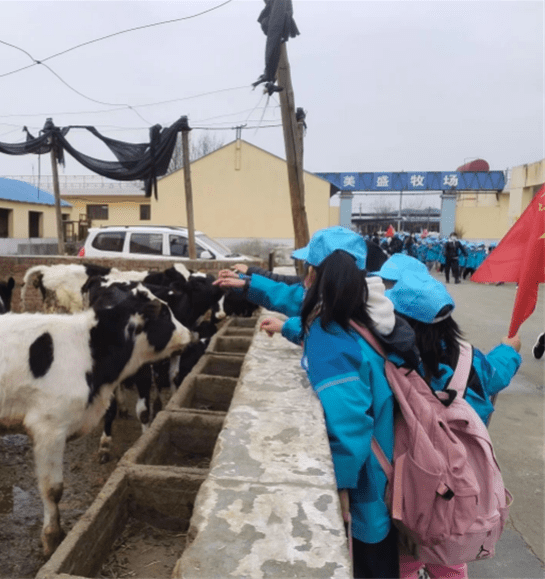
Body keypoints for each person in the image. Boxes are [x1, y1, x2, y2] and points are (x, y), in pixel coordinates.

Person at [222, 226, 418, 578]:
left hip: (365, 494)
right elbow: (332, 339)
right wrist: (287, 329)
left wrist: (332, 488)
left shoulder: (331, 337)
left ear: (313, 274)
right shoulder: (368, 310)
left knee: (368, 564)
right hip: (388, 468)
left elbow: (350, 426)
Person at [377, 267, 522, 579]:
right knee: (451, 559)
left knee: (405, 555)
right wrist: (510, 351)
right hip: (459, 483)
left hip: (408, 486)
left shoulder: (390, 365)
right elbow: (496, 374)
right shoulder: (469, 360)